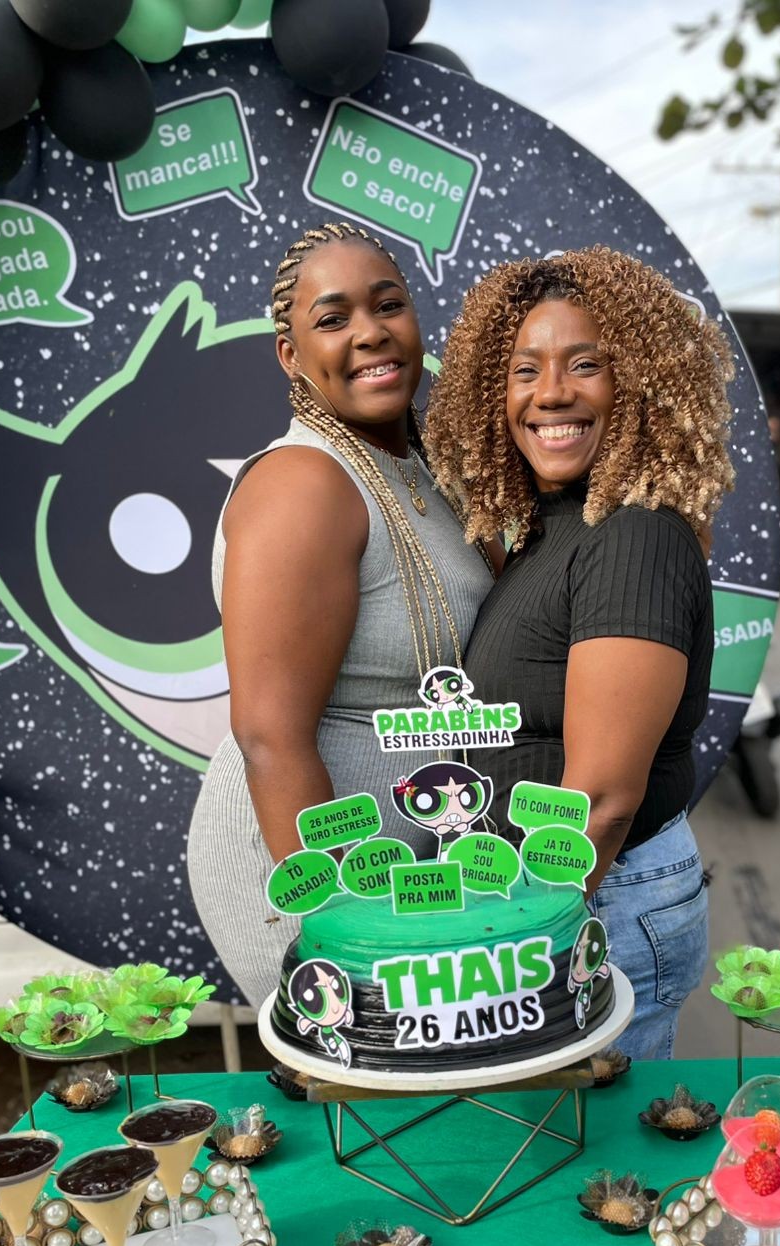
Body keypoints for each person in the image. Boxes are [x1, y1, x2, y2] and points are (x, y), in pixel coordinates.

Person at [425, 247, 734, 1060]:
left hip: (594, 899)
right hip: (561, 897)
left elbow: (600, 800)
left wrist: (522, 945)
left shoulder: (634, 536)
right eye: (525, 370)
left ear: (640, 383)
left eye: (585, 365)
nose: (552, 392)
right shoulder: (557, 527)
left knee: (598, 1141)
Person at [187, 220, 496, 1007]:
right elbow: (270, 736)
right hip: (306, 873)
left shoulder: (417, 467)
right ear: (290, 355)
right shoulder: (305, 482)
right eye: (333, 318)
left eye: (388, 305)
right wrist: (339, 928)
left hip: (411, 859)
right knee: (354, 1076)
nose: (370, 333)